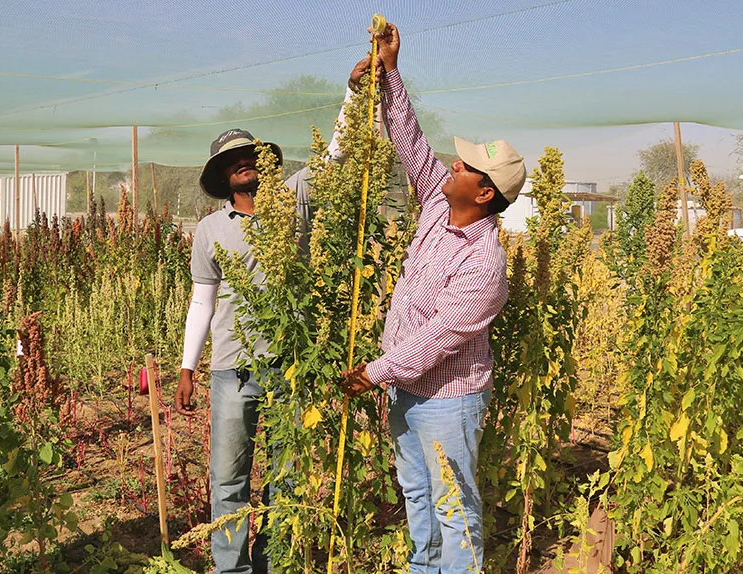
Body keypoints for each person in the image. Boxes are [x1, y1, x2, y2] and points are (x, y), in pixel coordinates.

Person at [173, 60, 379, 571]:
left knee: (288, 472)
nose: (243, 163)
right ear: (223, 175)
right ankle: (232, 567)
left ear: (264, 164)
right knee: (229, 476)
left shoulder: (294, 199)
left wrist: (353, 95)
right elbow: (202, 299)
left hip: (292, 363)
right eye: (233, 160)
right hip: (231, 368)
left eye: (250, 155)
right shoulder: (210, 230)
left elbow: (335, 155)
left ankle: (279, 560)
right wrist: (186, 365)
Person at [340, 23, 526, 573]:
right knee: (417, 495)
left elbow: (438, 337)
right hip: (406, 391)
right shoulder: (435, 208)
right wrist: (389, 72)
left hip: (448, 401)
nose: (453, 165)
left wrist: (375, 372)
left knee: (453, 508)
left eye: (466, 167)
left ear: (485, 192)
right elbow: (411, 143)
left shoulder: (484, 263)